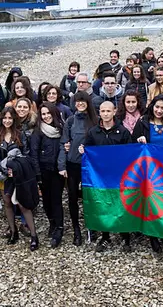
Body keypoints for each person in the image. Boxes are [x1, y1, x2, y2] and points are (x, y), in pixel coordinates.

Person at [80, 101, 133, 253]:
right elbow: (88, 149)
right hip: (101, 178)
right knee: (103, 204)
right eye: (102, 111)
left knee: (122, 205)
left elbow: (130, 153)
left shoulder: (123, 132)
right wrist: (83, 150)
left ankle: (125, 236)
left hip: (119, 178)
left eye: (108, 111)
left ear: (114, 111)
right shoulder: (93, 132)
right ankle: (105, 235)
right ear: (99, 113)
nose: (105, 114)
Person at [132, 94, 163, 253]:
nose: (159, 110)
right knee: (151, 202)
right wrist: (139, 140)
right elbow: (132, 145)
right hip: (148, 171)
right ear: (152, 106)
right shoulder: (143, 122)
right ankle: (153, 236)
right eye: (157, 107)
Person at [0, 107, 38, 250]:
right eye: (4, 118)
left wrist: (16, 170)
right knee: (7, 202)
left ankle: (33, 235)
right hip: (3, 175)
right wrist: (5, 170)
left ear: (14, 120)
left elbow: (26, 155)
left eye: (10, 118)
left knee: (22, 203)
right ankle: (13, 231)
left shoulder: (21, 135)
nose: (7, 121)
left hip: (19, 174)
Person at [58, 91, 99, 246]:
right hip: (73, 164)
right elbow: (64, 143)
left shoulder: (95, 121)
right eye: (77, 101)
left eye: (83, 101)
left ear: (88, 103)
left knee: (90, 196)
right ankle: (76, 228)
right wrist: (62, 165)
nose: (80, 104)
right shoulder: (69, 121)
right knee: (73, 196)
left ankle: (92, 226)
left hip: (90, 166)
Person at [30, 103, 65, 248]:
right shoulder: (38, 132)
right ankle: (52, 221)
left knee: (56, 199)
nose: (46, 116)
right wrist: (37, 174)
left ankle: (59, 228)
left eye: (48, 113)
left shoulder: (61, 129)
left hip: (58, 170)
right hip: (44, 170)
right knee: (46, 199)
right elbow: (34, 153)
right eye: (43, 114)